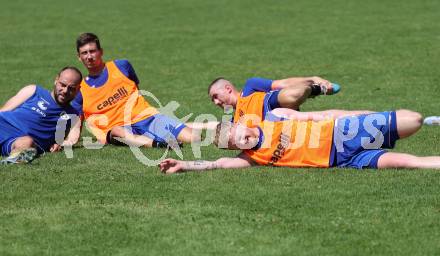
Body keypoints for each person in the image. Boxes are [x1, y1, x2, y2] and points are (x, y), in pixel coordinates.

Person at [159, 108, 440, 174]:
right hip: (343, 160)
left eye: (237, 135)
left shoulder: (274, 117)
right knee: (407, 162)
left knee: (413, 120)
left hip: (345, 133)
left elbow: (321, 115)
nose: (242, 141)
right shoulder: (254, 157)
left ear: (242, 124)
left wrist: (357, 116)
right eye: (236, 145)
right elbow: (215, 164)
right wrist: (184, 165)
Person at [69, 32, 199, 148]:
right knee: (116, 130)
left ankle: (157, 136)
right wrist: (67, 142)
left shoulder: (121, 66)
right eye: (84, 53)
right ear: (79, 57)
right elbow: (76, 122)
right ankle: (158, 144)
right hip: (120, 129)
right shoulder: (80, 89)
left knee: (194, 138)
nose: (89, 56)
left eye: (92, 51)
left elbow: (136, 89)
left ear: (101, 52)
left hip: (147, 117)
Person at [0, 67, 82, 164]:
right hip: (3, 124)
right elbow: (4, 110)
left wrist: (60, 144)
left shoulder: (73, 116)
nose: (65, 90)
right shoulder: (33, 91)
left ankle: (13, 160)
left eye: (71, 88)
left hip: (19, 140)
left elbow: (72, 139)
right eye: (62, 85)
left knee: (27, 143)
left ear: (78, 90)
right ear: (56, 80)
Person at [207, 76, 340, 126]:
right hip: (281, 123)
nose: (216, 102)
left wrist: (313, 79)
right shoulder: (234, 121)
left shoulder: (250, 86)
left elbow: (283, 83)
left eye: (216, 96)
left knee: (291, 95)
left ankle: (315, 89)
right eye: (213, 100)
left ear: (228, 89)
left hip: (274, 101)